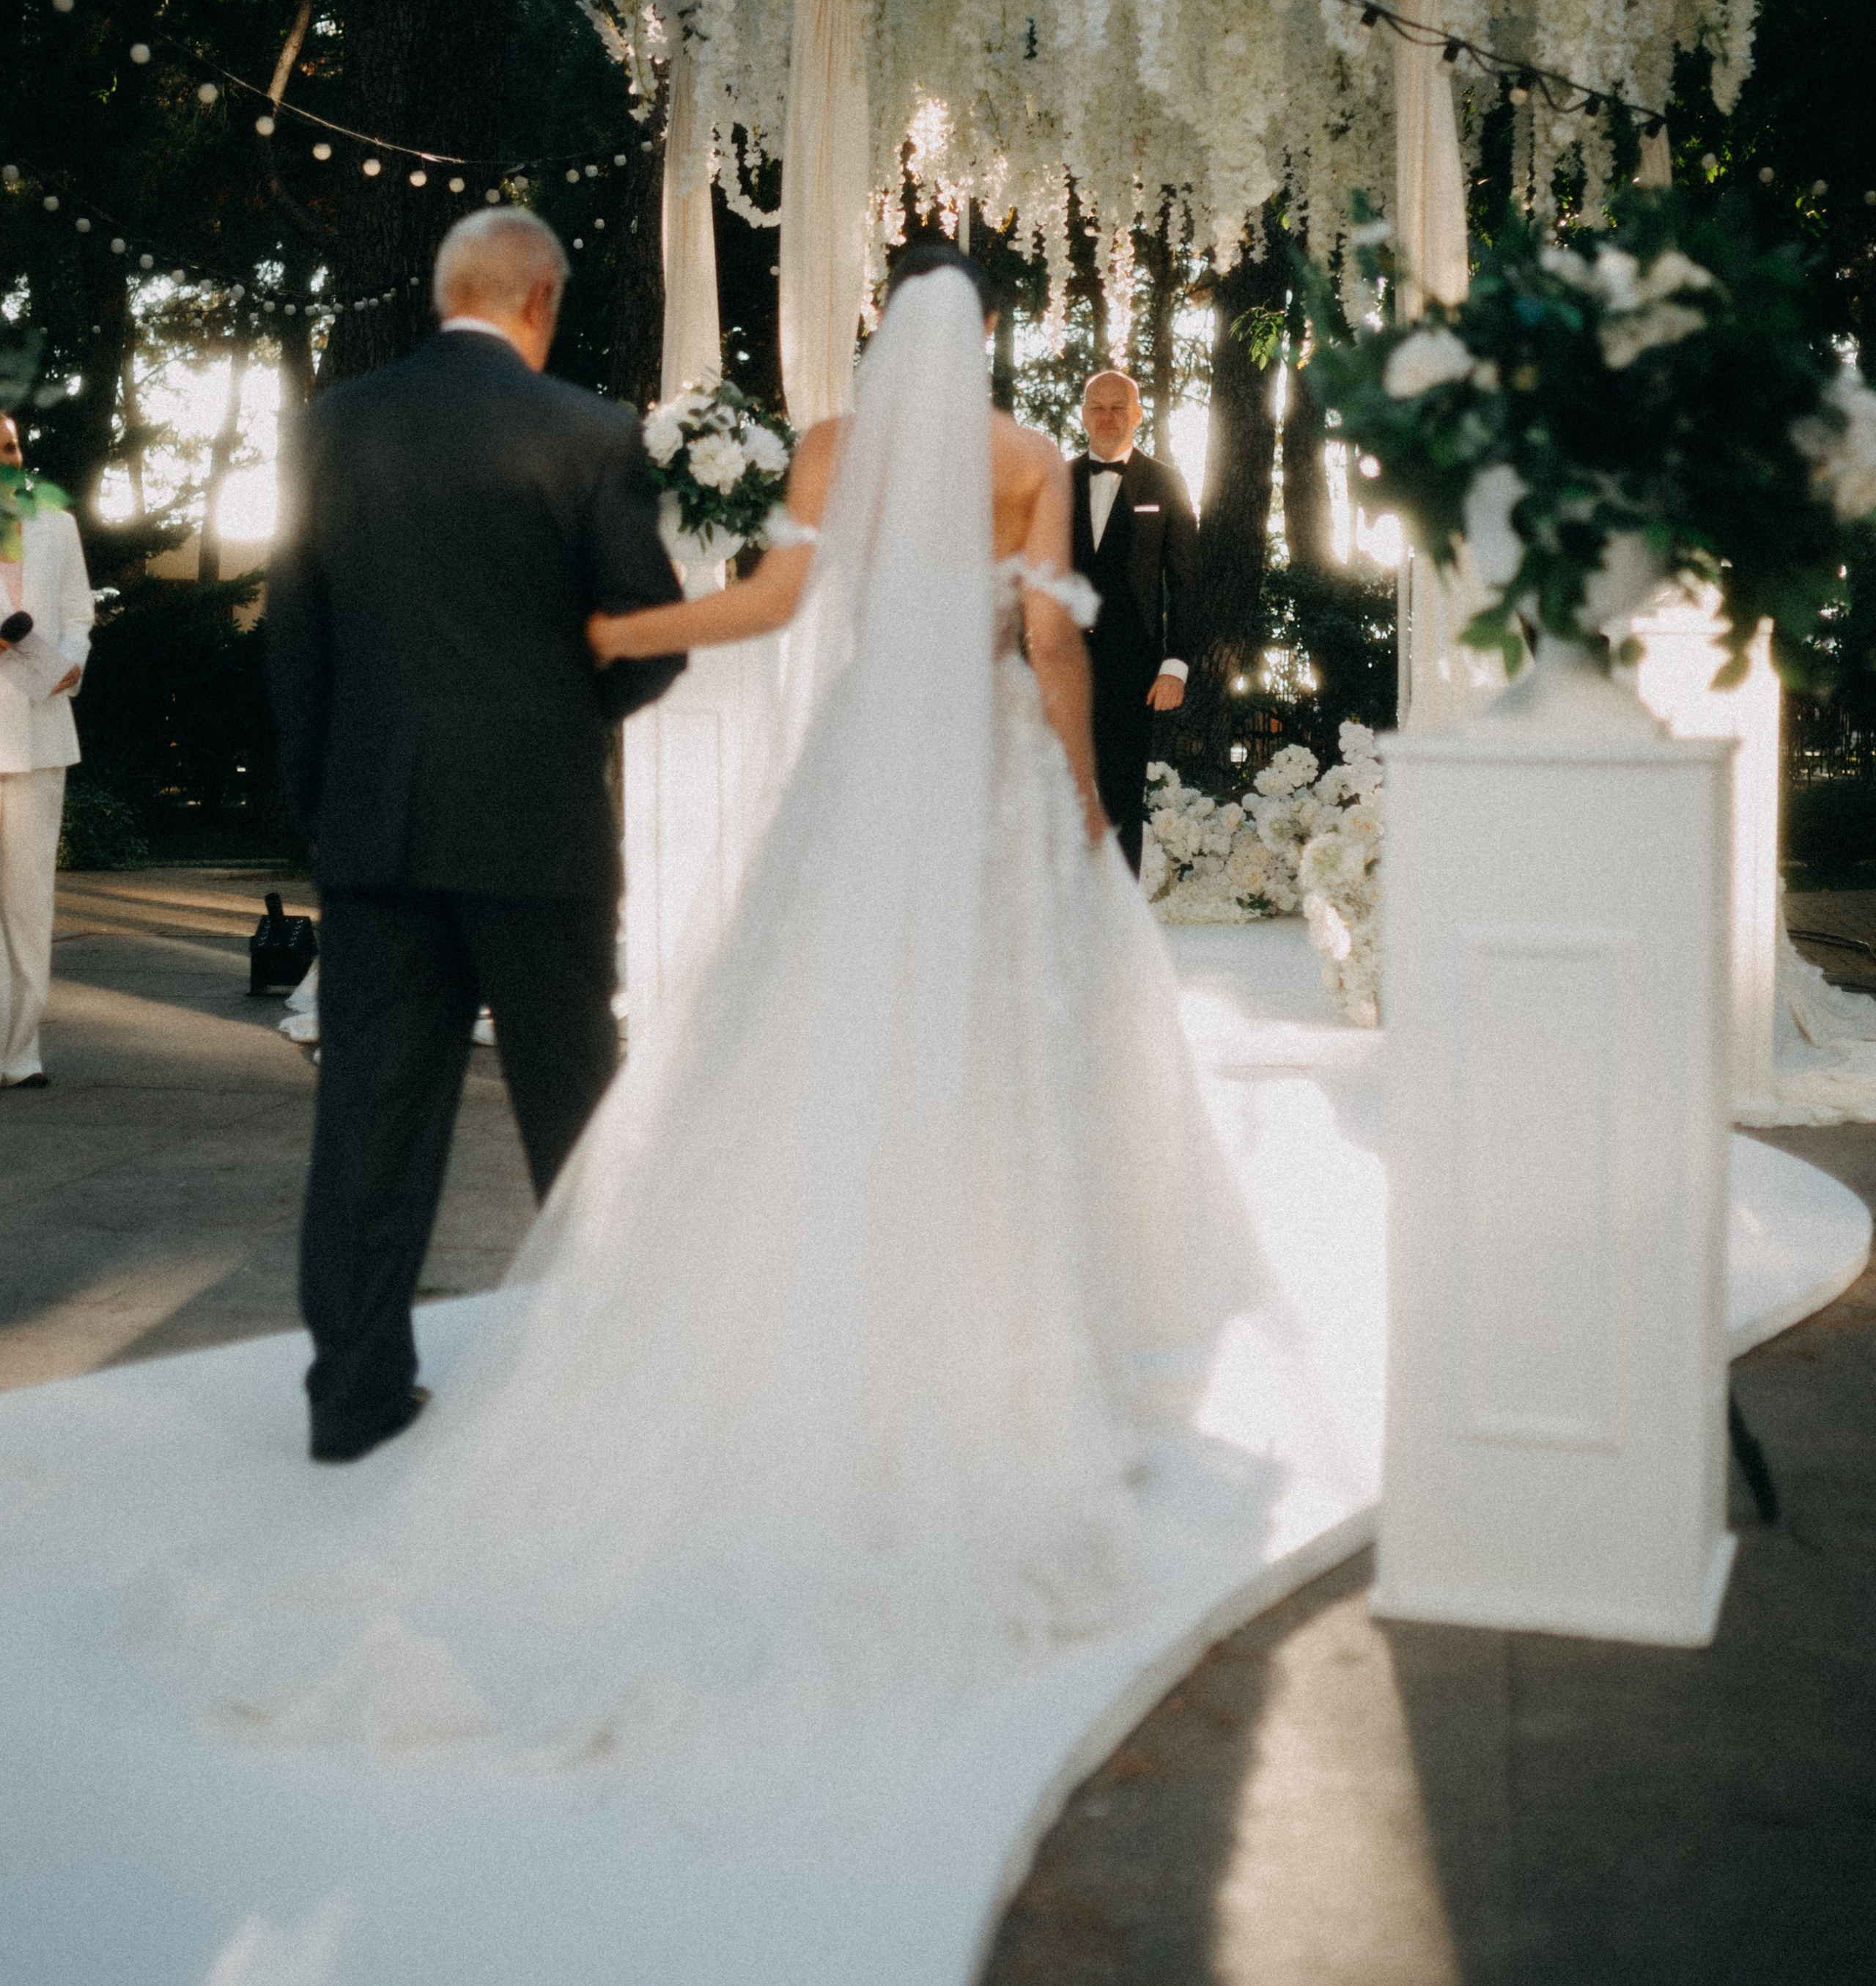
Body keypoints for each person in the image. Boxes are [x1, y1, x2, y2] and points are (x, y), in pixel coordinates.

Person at [181, 240, 1256, 1787]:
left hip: (771, 796)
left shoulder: (815, 445)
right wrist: (1082, 796)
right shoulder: (1022, 459)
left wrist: (625, 642)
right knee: (964, 1057)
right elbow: (1049, 645)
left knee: (609, 1066)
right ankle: (971, 1308)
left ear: (884, 329)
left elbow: (766, 600)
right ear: (995, 335)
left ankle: (392, 1385)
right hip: (964, 789)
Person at [265, 209, 684, 1465]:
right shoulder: (592, 435)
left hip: (378, 825)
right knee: (572, 1105)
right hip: (537, 826)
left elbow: (296, 643)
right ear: (540, 302)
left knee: (371, 1112)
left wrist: (328, 804)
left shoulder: (329, 429)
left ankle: (352, 1395)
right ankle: (613, 1385)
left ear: (450, 291)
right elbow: (649, 634)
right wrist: (562, 721)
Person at [1069, 369, 1200, 873]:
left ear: (1137, 414)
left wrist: (1176, 665)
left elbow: (1187, 581)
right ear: (1082, 413)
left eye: (1117, 406)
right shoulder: (1057, 479)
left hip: (1135, 667)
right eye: (1096, 406)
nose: (1106, 416)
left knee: (1121, 793)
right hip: (1064, 664)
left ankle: (1116, 919)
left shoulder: (1165, 481)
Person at [0, 413, 92, 1090]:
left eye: (11, 445)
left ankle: (21, 1049)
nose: (9, 457)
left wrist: (71, 662)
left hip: (40, 730)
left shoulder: (57, 525)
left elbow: (79, 611)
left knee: (30, 901)